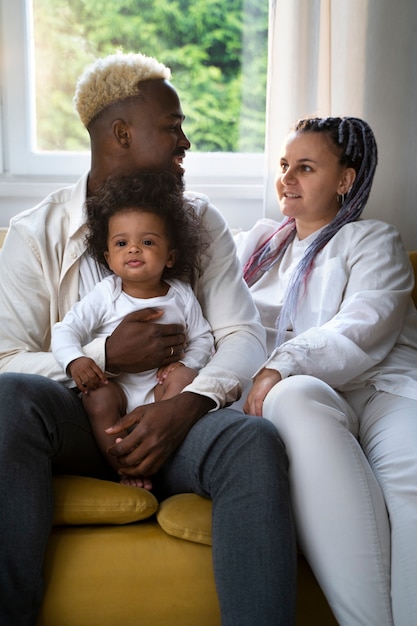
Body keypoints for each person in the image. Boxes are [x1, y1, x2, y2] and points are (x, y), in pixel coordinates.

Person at [0, 51, 296, 625]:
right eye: (172, 127)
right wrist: (103, 356)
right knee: (7, 402)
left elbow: (242, 335)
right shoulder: (35, 232)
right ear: (121, 133)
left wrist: (185, 406)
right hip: (84, 424)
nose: (186, 142)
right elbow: (7, 358)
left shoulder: (199, 222)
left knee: (253, 445)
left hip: (174, 417)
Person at [235, 116, 417, 625]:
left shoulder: (373, 240)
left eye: (306, 167)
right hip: (308, 401)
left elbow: (362, 328)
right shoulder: (257, 248)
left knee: (410, 488)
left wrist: (279, 364)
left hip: (383, 392)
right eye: (284, 166)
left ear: (345, 181)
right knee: (290, 397)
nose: (287, 179)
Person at [52, 172, 214, 489]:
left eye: (148, 242)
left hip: (161, 392)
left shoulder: (180, 294)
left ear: (170, 256)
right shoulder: (105, 294)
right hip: (119, 390)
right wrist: (77, 361)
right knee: (95, 397)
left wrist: (184, 365)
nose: (134, 249)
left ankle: (162, 457)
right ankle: (126, 469)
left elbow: (203, 339)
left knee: (187, 379)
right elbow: (65, 331)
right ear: (109, 258)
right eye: (122, 243)